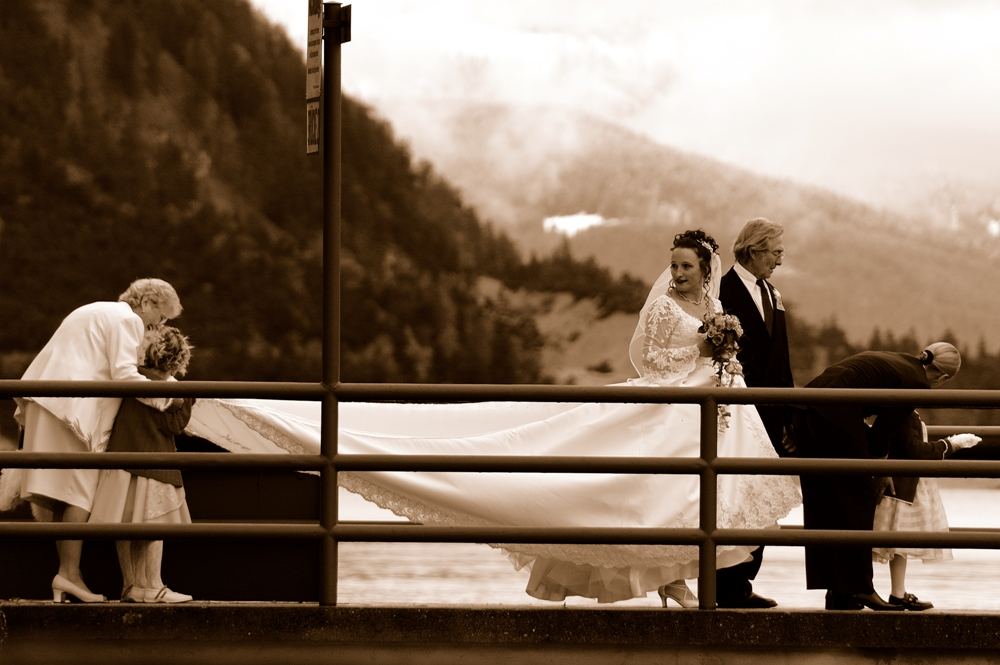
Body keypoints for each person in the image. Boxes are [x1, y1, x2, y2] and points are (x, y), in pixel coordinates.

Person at [184, 229, 801, 607]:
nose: (677, 273)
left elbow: (713, 352)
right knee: (636, 488)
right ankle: (670, 581)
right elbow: (653, 356)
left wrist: (721, 350)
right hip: (671, 401)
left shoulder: (717, 304)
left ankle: (678, 579)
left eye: (687, 265)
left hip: (711, 403)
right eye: (673, 264)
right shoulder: (666, 307)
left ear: (706, 268)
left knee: (684, 494)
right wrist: (703, 347)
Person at [13, 278, 182, 603]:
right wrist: (167, 396)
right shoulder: (127, 319)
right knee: (80, 493)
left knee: (62, 494)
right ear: (146, 303)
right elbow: (124, 375)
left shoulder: (95, 311)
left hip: (47, 403)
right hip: (69, 408)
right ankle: (68, 575)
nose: (158, 327)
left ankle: (68, 576)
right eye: (160, 317)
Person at [785, 342, 961, 611]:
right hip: (832, 416)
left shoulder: (902, 362)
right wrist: (878, 472)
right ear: (944, 377)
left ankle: (838, 592)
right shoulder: (916, 381)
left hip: (808, 410)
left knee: (827, 503)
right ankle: (860, 589)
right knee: (861, 496)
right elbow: (884, 434)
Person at [716, 217, 793, 609]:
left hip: (773, 413)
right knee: (734, 494)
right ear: (755, 249)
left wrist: (790, 411)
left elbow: (782, 359)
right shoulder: (722, 291)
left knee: (763, 494)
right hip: (739, 412)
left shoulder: (772, 293)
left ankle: (743, 580)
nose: (780, 259)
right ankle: (725, 583)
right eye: (776, 252)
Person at [89, 325, 195, 604]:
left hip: (122, 458)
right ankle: (154, 585)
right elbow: (178, 424)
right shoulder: (176, 393)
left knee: (125, 523)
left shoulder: (131, 381)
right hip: (156, 461)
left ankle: (131, 585)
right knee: (154, 524)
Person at [871, 411, 979, 611]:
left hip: (904, 485)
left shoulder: (903, 412)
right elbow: (915, 450)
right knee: (896, 541)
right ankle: (893, 592)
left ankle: (897, 592)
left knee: (898, 543)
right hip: (900, 487)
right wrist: (950, 444)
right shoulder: (904, 415)